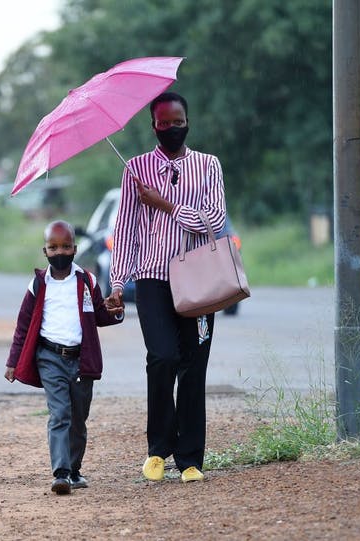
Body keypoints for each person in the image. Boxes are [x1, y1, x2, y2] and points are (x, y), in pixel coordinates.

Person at [106, 92, 226, 483]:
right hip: (154, 279)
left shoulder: (208, 166)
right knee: (162, 358)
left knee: (194, 366)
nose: (172, 129)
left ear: (188, 122)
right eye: (164, 123)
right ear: (153, 126)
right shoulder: (136, 169)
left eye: (179, 122)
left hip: (199, 280)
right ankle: (158, 449)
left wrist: (166, 204)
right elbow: (125, 229)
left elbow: (215, 220)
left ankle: (190, 458)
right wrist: (119, 281)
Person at [5, 220, 124, 495]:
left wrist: (114, 309)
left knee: (78, 419)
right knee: (60, 414)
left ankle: (73, 470)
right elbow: (23, 326)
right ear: (45, 251)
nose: (60, 252)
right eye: (53, 247)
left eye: (66, 247)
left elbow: (99, 315)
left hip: (81, 360)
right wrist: (12, 361)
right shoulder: (38, 284)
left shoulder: (86, 281)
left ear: (75, 248)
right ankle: (60, 473)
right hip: (49, 357)